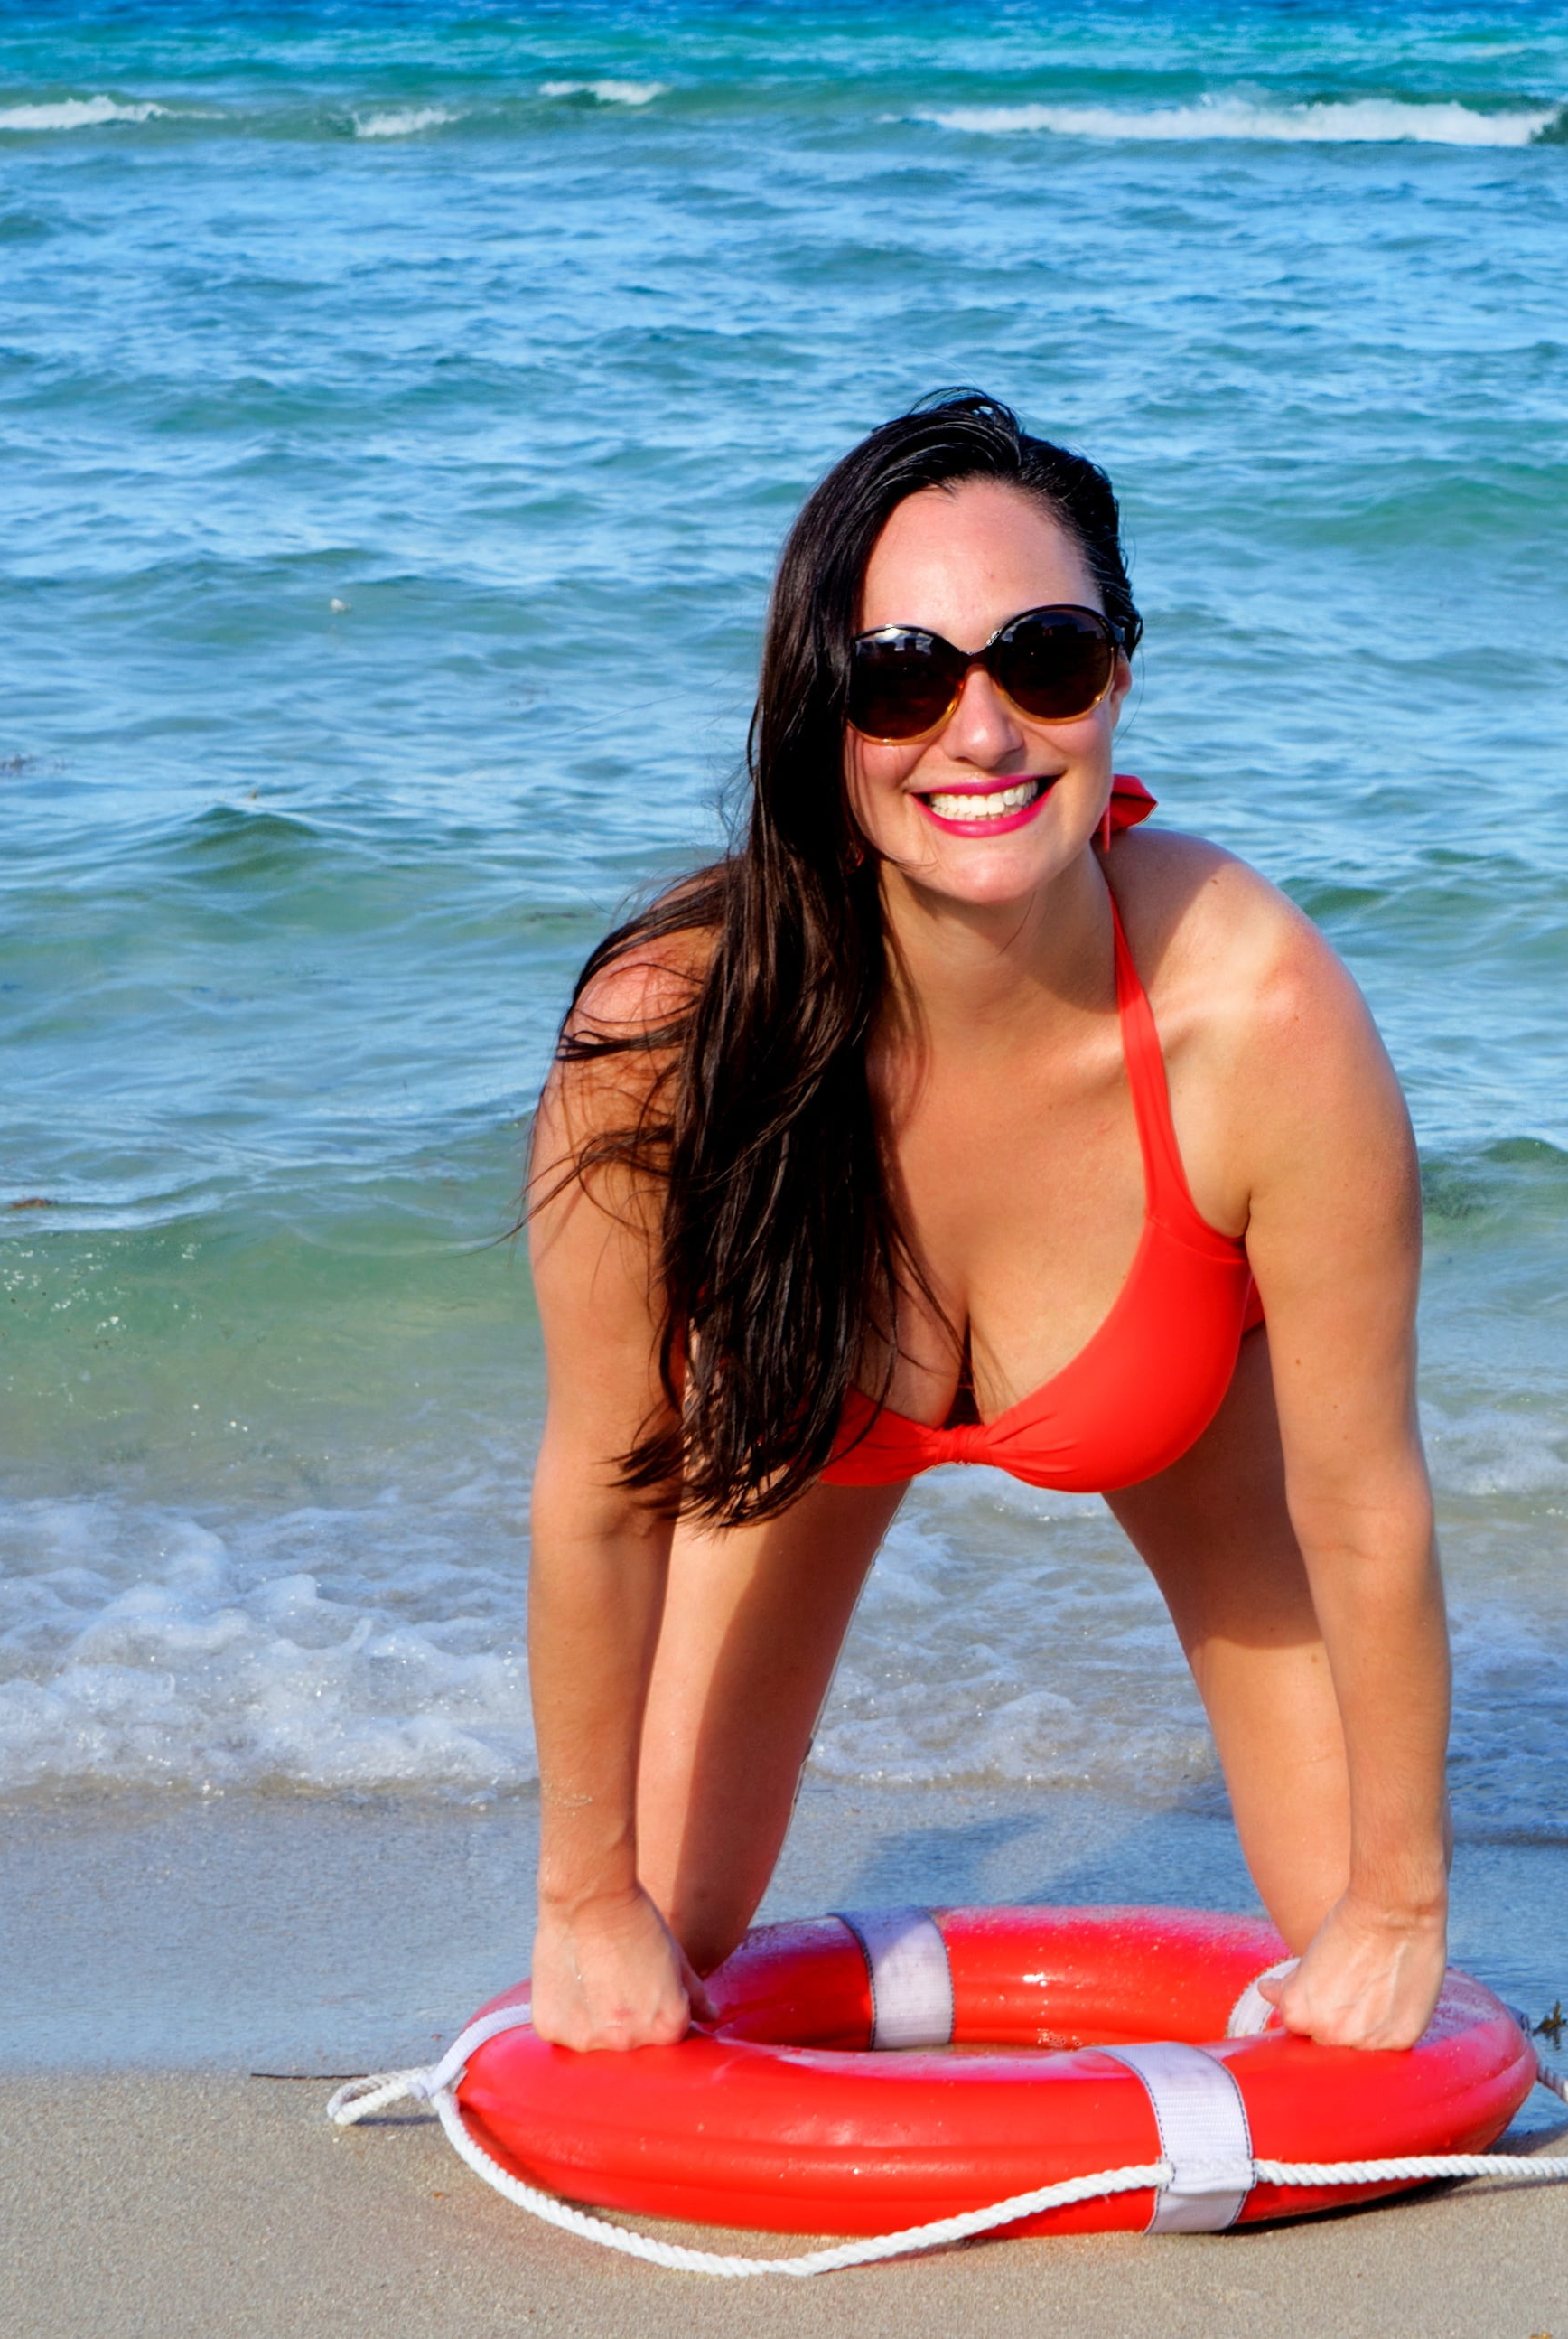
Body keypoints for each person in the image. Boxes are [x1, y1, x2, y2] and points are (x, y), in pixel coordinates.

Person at [521, 390, 1452, 2055]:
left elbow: (1364, 1504)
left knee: (1354, 1953)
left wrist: (1400, 1911)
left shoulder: (1259, 1015)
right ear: (818, 712)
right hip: (808, 1421)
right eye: (900, 675)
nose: (981, 733)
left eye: (1044, 659)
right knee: (660, 1924)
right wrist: (579, 1903)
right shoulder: (666, 1031)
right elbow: (601, 1493)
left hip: (1178, 1407)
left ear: (1118, 677)